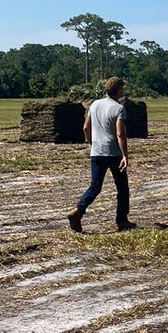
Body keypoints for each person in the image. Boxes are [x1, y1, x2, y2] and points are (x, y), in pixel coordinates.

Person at [68, 77, 136, 232]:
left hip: (96, 153)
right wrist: (125, 155)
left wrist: (92, 143)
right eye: (122, 89)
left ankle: (78, 210)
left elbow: (86, 127)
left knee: (95, 186)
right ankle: (122, 220)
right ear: (118, 90)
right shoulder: (119, 108)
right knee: (122, 189)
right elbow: (120, 134)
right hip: (114, 154)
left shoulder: (94, 104)